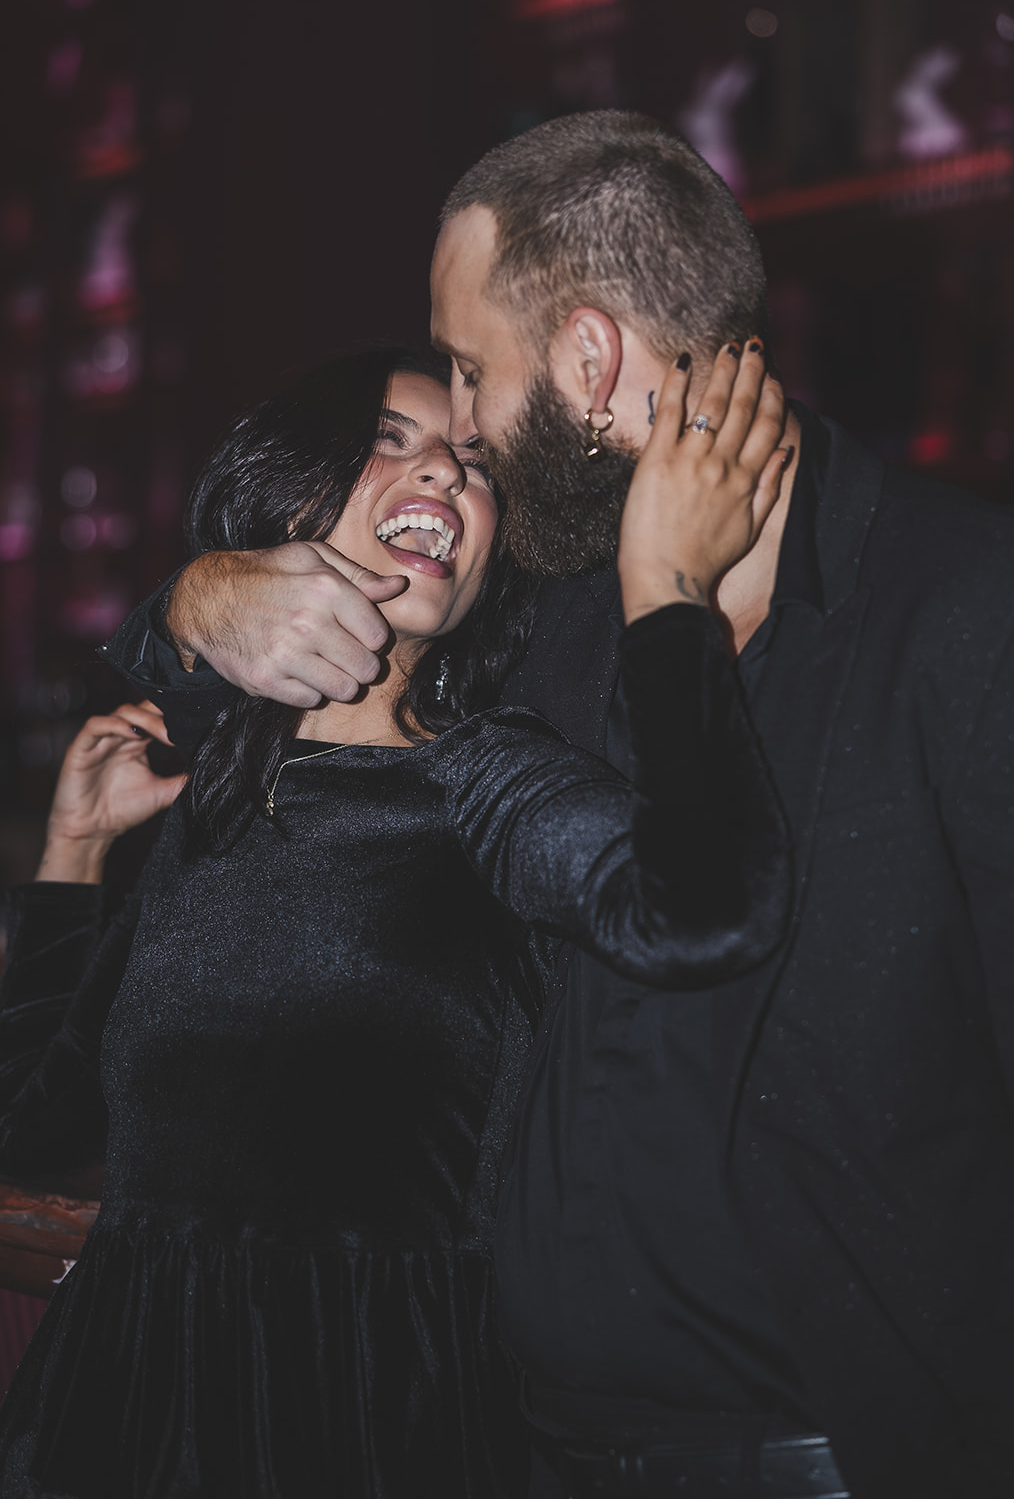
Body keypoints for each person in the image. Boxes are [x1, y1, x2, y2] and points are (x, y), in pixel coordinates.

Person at [105, 110, 1014, 1499]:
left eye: (466, 368)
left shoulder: (989, 614)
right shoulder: (538, 612)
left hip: (850, 1460)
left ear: (586, 357)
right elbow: (268, 714)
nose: (462, 428)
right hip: (513, 1441)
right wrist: (198, 599)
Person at [0, 342, 792, 1498]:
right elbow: (27, 1122)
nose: (445, 474)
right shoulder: (211, 804)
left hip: (362, 1412)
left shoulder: (485, 777)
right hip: (117, 1403)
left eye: (473, 461)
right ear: (287, 501)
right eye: (387, 440)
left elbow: (702, 911)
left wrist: (667, 598)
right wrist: (70, 854)